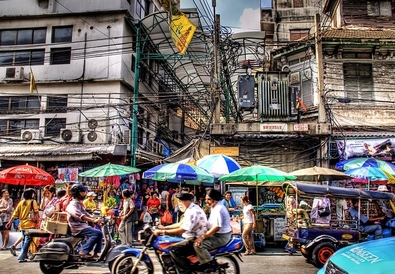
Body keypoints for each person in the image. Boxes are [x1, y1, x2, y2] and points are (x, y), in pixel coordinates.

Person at [153, 188, 207, 274]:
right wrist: (164, 228)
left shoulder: (192, 212)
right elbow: (180, 224)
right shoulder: (191, 209)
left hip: (195, 238)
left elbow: (182, 229)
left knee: (174, 250)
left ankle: (186, 271)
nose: (179, 204)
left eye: (179, 202)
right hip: (190, 236)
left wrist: (162, 232)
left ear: (185, 201)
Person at [194, 188, 232, 272]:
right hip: (217, 234)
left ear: (215, 200)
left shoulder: (219, 209)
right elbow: (210, 223)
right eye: (206, 199)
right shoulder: (213, 207)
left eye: (209, 199)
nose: (206, 201)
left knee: (198, 245)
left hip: (221, 237)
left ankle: (210, 264)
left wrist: (202, 237)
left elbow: (216, 227)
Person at [66, 184, 103, 259]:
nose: (84, 194)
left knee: (99, 233)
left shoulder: (79, 203)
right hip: (77, 227)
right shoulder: (72, 204)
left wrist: (97, 218)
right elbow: (80, 216)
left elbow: (86, 213)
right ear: (77, 193)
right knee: (97, 233)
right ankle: (83, 251)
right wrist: (93, 220)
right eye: (82, 192)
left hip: (82, 226)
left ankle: (96, 253)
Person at [5, 188, 39, 262]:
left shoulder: (21, 202)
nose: (34, 195)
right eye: (33, 193)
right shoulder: (33, 202)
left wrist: (9, 222)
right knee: (28, 240)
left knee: (24, 239)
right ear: (31, 194)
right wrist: (38, 222)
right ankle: (22, 256)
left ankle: (25, 255)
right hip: (30, 224)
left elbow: (15, 214)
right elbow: (36, 213)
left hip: (22, 224)